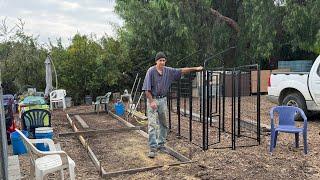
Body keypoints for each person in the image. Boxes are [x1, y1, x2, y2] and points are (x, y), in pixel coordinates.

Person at [142, 51, 203, 158]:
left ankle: (161, 144)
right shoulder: (151, 71)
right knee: (152, 124)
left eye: (163, 60)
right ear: (156, 61)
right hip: (153, 99)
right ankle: (152, 148)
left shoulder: (168, 71)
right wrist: (151, 101)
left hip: (163, 100)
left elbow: (182, 70)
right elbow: (146, 89)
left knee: (164, 123)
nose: (162, 62)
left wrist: (196, 68)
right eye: (160, 60)